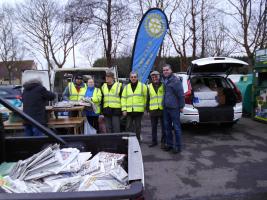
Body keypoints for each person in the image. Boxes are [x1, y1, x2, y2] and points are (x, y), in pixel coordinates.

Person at [162, 64, 185, 154]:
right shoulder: (165, 80)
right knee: (167, 128)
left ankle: (178, 147)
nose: (165, 71)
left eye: (167, 70)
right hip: (166, 107)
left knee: (176, 128)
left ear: (171, 70)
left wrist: (181, 106)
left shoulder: (175, 80)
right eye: (164, 70)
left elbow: (181, 94)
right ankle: (169, 145)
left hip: (174, 108)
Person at [121, 71, 147, 141]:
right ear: (129, 78)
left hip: (138, 111)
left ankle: (137, 140)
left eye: (135, 77)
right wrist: (124, 109)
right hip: (129, 111)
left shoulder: (143, 86)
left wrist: (144, 108)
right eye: (132, 77)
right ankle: (128, 140)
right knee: (128, 127)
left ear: (137, 77)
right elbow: (123, 98)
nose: (133, 78)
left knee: (138, 127)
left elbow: (145, 98)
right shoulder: (126, 87)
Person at [147, 70, 165, 148]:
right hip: (153, 110)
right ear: (151, 78)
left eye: (156, 76)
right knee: (153, 127)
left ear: (159, 77)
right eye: (153, 77)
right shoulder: (148, 86)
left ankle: (163, 142)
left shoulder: (164, 85)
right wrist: (147, 109)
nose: (155, 78)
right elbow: (147, 98)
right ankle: (154, 141)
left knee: (163, 127)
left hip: (162, 109)